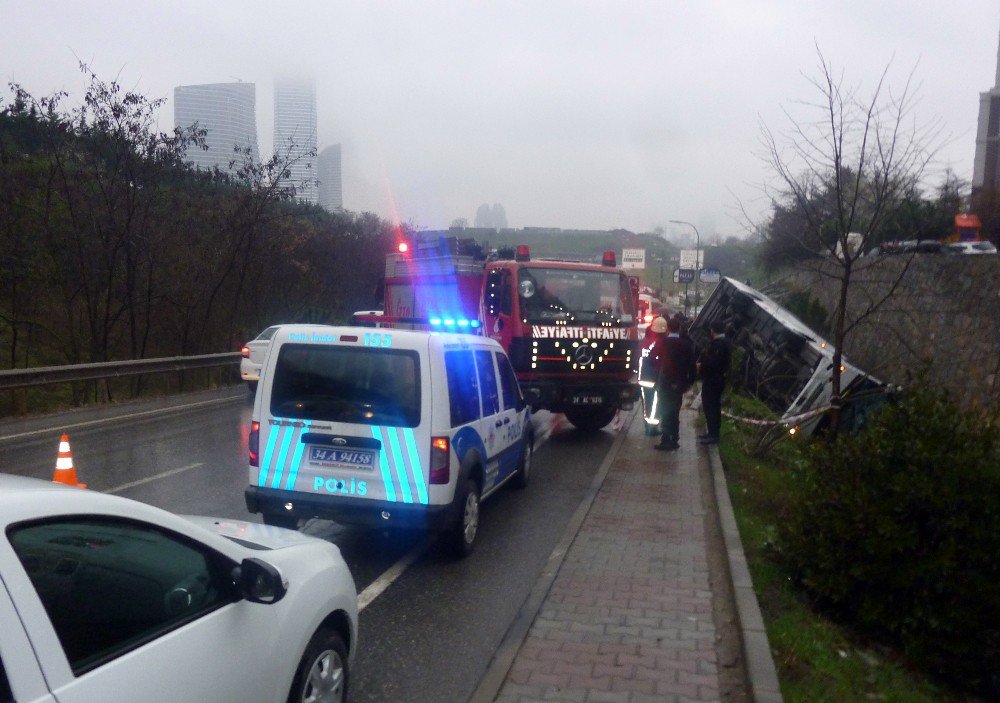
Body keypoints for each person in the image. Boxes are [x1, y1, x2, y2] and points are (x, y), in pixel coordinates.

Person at [654, 317, 697, 451]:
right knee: (675, 411)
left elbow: (656, 362)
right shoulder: (686, 344)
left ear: (667, 328)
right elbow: (692, 365)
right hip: (679, 384)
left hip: (665, 383)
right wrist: (689, 382)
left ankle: (666, 439)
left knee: (665, 411)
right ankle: (675, 438)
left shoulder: (662, 343)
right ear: (679, 329)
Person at [697, 320, 732, 445]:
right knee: (714, 406)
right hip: (718, 379)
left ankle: (713, 435)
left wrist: (702, 365)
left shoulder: (718, 344)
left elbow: (714, 363)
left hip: (713, 379)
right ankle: (712, 432)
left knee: (710, 406)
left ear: (713, 330)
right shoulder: (725, 342)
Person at [639, 316, 668, 435]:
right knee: (655, 404)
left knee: (646, 403)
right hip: (655, 379)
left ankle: (647, 426)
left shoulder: (644, 342)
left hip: (643, 377)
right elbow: (662, 362)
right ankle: (652, 429)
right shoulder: (661, 343)